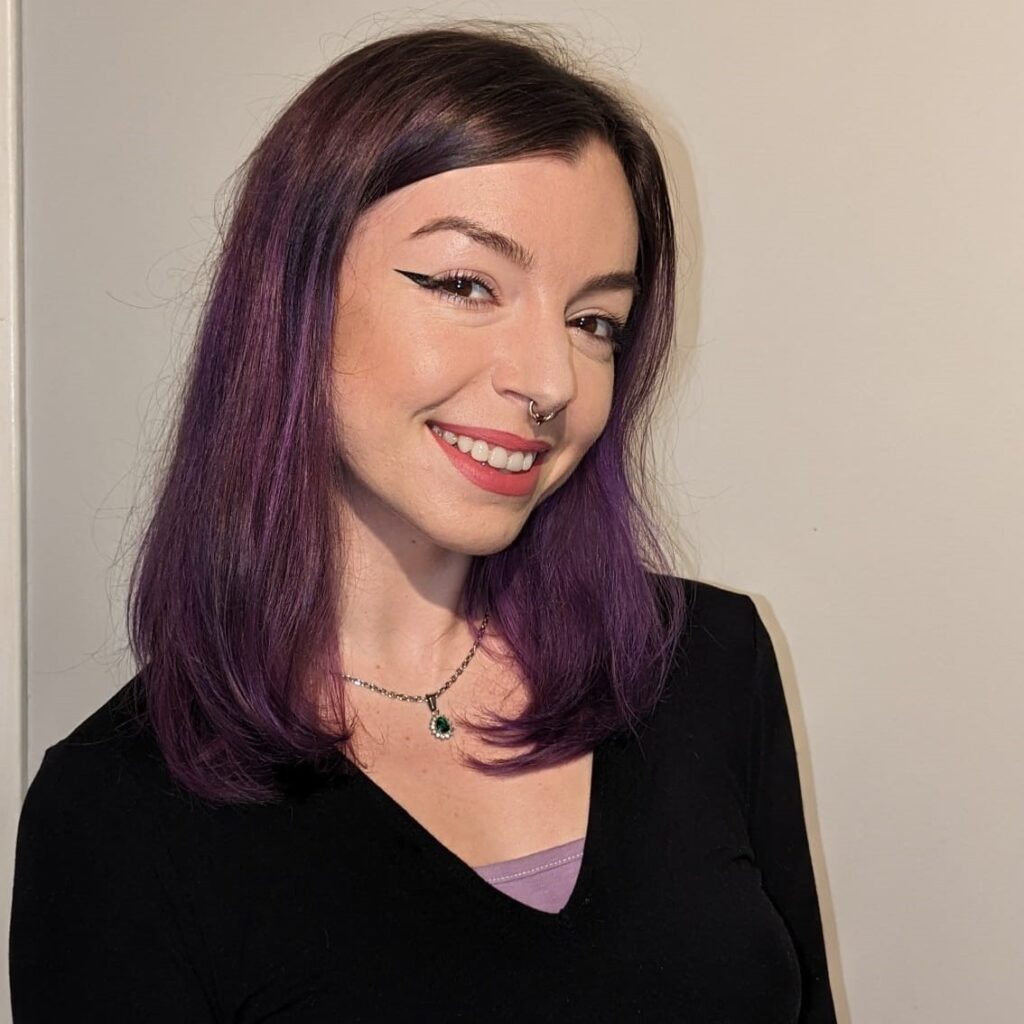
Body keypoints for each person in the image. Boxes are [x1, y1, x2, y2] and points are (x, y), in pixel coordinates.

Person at [9, 22, 838, 1023]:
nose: (549, 381)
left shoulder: (707, 665)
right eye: (465, 284)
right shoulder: (118, 811)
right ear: (292, 300)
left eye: (593, 322)